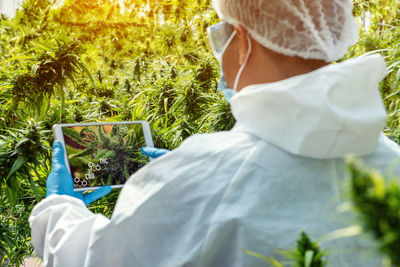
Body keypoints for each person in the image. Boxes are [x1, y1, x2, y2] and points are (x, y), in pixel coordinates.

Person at [29, 0, 400, 266]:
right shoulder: (393, 162)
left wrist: (59, 208)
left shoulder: (203, 174)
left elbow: (99, 258)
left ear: (241, 41)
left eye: (219, 37)